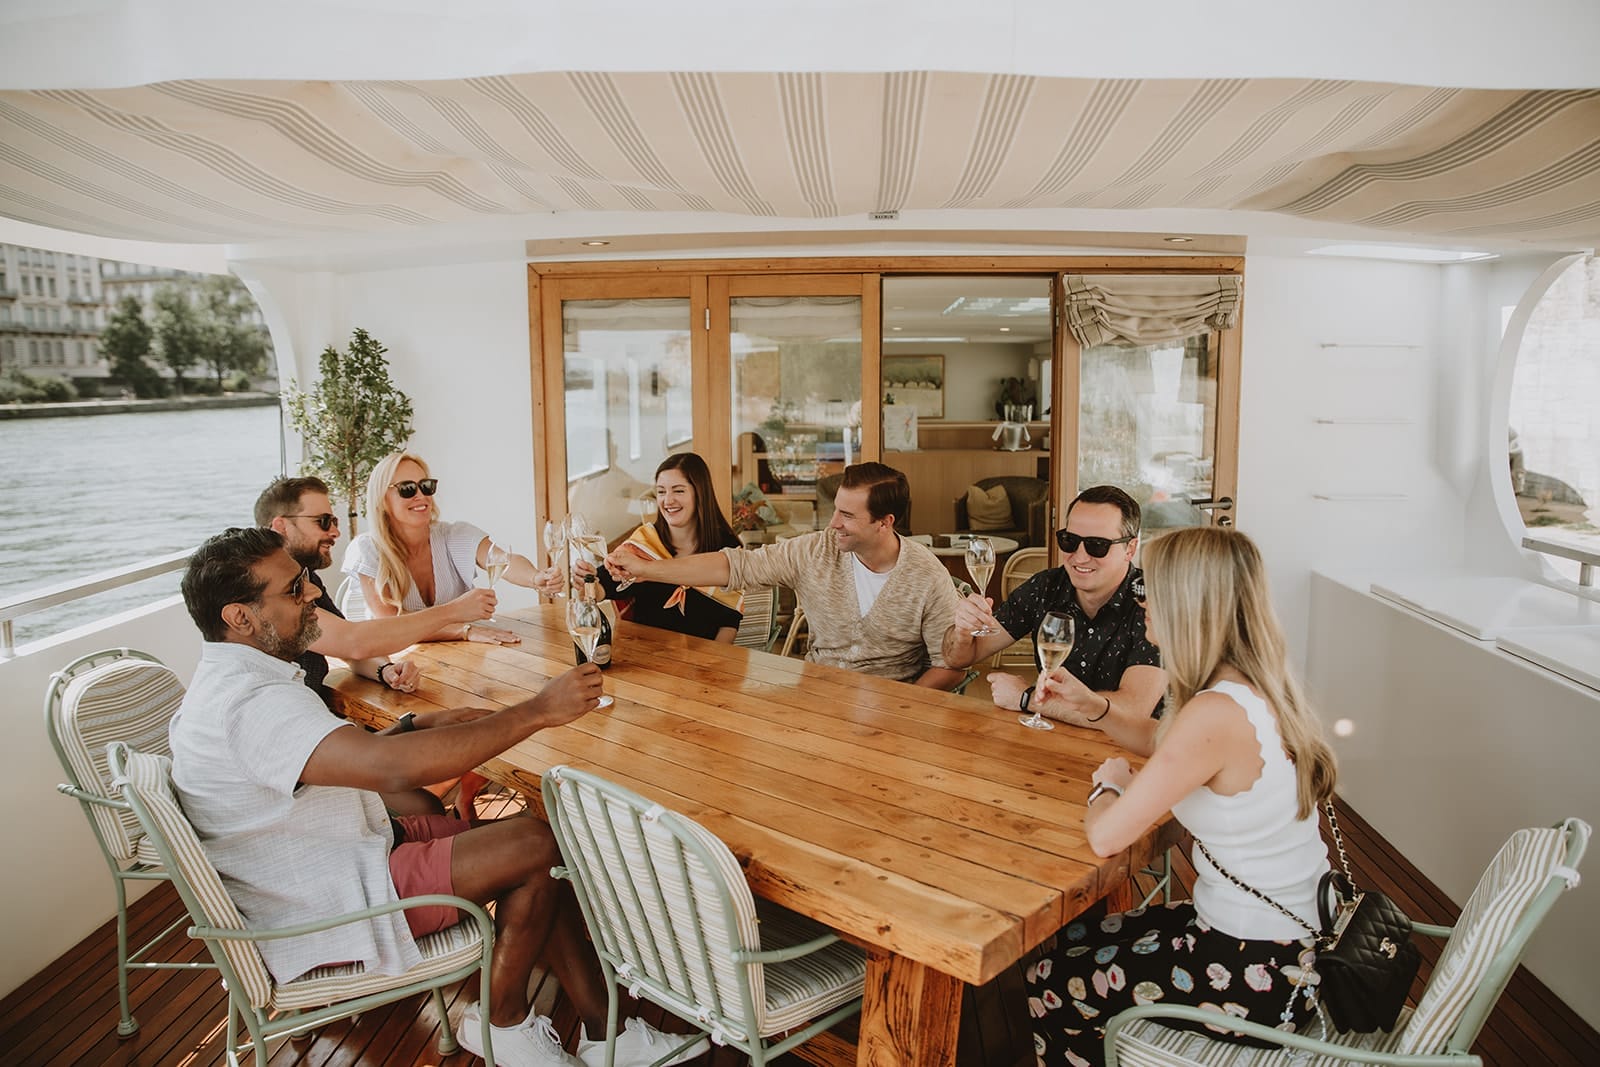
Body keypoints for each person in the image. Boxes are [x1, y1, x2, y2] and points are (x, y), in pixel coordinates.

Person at [169, 528, 705, 1067]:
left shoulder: (233, 681)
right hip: (329, 900)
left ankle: (606, 1032)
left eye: (305, 579)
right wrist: (538, 711)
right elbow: (390, 771)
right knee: (536, 845)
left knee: (542, 850)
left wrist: (413, 725)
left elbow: (328, 759)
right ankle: (502, 1022)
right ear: (239, 617)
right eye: (293, 589)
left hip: (335, 855)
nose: (312, 592)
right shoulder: (251, 704)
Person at [1026, 527, 1336, 1065]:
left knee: (1049, 979)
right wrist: (1094, 707)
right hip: (1291, 943)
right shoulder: (1253, 688)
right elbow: (1161, 741)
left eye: (1151, 589)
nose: (1142, 602)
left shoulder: (1213, 713)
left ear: (1189, 604)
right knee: (1073, 935)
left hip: (1256, 973)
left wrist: (1109, 785)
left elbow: (1106, 836)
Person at [606, 461, 963, 687]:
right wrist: (647, 569)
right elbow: (734, 566)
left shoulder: (928, 576)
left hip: (891, 707)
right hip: (817, 698)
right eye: (836, 510)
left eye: (847, 516)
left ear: (884, 522)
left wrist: (901, 709)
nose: (833, 524)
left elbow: (949, 666)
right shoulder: (814, 551)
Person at [942, 485, 1164, 753]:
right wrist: (963, 632)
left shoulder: (1153, 603)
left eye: (1097, 545)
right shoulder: (1046, 587)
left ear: (1130, 548)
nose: (1079, 556)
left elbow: (1133, 711)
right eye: (1070, 541)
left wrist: (1029, 699)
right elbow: (959, 658)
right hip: (1051, 745)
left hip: (1135, 756)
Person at [253, 475, 496, 702]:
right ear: (281, 526)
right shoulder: (263, 588)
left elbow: (349, 650)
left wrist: (386, 670)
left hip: (308, 712)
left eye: (334, 522)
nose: (335, 532)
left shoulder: (307, 579)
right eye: (323, 522)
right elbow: (353, 641)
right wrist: (453, 612)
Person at [343, 451, 546, 645]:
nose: (421, 496)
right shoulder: (367, 549)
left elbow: (503, 560)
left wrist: (536, 578)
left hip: (458, 655)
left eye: (426, 486)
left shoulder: (453, 535)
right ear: (382, 499)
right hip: (395, 661)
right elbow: (390, 626)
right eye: (407, 489)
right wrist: (464, 630)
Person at [540, 453, 744, 643]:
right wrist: (588, 582)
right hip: (645, 657)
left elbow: (730, 620)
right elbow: (603, 588)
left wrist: (712, 662)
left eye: (679, 491)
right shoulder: (645, 543)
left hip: (706, 662)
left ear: (700, 493)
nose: (668, 500)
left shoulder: (726, 548)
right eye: (661, 492)